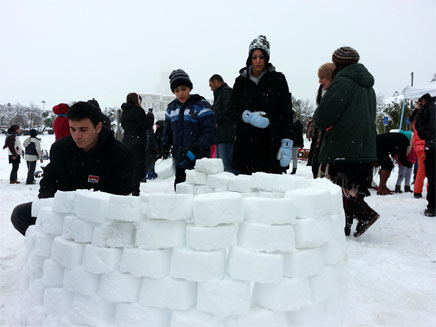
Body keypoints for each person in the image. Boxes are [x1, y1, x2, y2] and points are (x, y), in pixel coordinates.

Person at [11, 101, 134, 236]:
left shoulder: (119, 153)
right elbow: (50, 180)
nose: (77, 135)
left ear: (98, 127)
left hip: (97, 218)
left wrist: (80, 208)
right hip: (63, 211)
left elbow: (119, 193)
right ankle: (52, 248)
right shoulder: (60, 148)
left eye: (83, 129)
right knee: (19, 214)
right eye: (72, 129)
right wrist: (49, 206)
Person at [313, 46, 378, 238]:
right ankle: (344, 225)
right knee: (352, 187)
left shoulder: (342, 83)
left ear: (338, 64)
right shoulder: (368, 86)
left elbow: (324, 117)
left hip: (343, 144)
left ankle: (365, 215)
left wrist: (318, 118)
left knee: (337, 187)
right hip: (363, 145)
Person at [228, 35, 293, 175]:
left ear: (267, 58)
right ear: (249, 58)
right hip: (246, 145)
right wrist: (247, 116)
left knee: (269, 190)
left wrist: (286, 142)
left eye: (261, 57)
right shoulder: (241, 81)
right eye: (254, 57)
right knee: (246, 192)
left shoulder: (278, 80)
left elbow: (287, 112)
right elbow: (231, 110)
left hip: (270, 145)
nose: (257, 61)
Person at [162, 69, 216, 187]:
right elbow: (167, 132)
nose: (181, 93)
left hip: (199, 160)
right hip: (180, 160)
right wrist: (165, 146)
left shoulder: (201, 106)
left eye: (183, 89)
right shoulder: (171, 109)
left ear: (190, 88)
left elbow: (209, 132)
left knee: (198, 193)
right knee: (181, 191)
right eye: (177, 90)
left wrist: (194, 149)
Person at [121, 93, 154, 196]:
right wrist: (150, 116)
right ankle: (135, 191)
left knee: (129, 168)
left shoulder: (124, 112)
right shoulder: (136, 111)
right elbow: (146, 124)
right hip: (137, 143)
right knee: (138, 168)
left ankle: (128, 189)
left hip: (127, 142)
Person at [306, 63, 335, 178]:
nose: (319, 81)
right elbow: (320, 111)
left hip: (330, 140)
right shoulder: (323, 91)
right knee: (316, 166)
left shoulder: (337, 94)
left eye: (322, 78)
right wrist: (313, 123)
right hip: (319, 139)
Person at [209, 74, 236, 172]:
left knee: (227, 167)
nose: (211, 89)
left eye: (211, 85)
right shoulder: (219, 94)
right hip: (220, 136)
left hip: (227, 135)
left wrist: (217, 119)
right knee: (221, 168)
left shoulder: (226, 92)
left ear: (216, 82)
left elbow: (229, 110)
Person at [415, 93, 435, 217]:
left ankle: (432, 206)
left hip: (430, 147)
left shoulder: (429, 106)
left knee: (431, 176)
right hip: (428, 146)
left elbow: (418, 124)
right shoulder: (430, 105)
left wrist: (427, 135)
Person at [411, 94, 430, 198]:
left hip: (418, 146)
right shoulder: (427, 114)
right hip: (426, 145)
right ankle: (430, 191)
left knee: (421, 170)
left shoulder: (416, 116)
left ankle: (417, 192)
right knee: (431, 171)